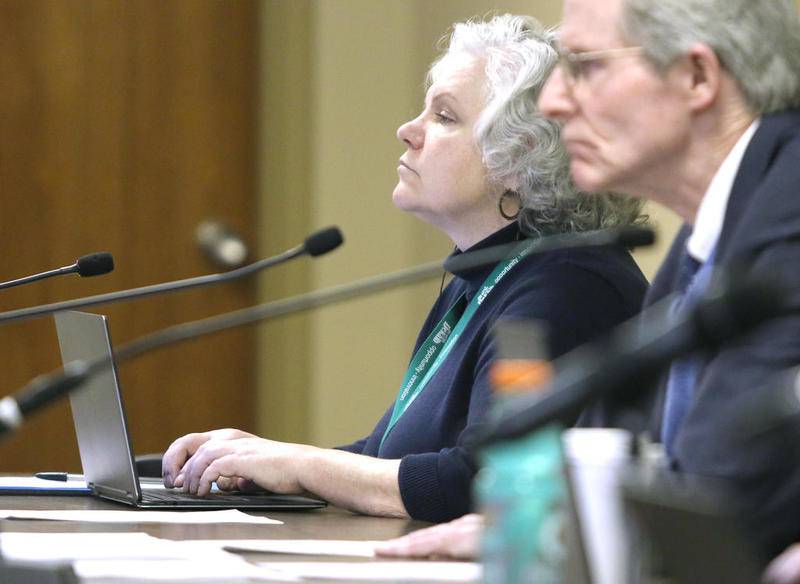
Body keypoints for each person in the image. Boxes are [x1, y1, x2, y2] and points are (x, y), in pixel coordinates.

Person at [161, 14, 647, 522]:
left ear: (517, 160)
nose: (407, 131)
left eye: (444, 116)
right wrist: (259, 461)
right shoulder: (484, 274)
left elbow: (485, 481)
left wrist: (301, 464)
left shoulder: (567, 286)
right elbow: (389, 458)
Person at [378, 0, 800, 562]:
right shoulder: (708, 239)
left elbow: (725, 489)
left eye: (585, 66)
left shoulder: (789, 214)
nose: (553, 103)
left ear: (697, 77)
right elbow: (618, 459)